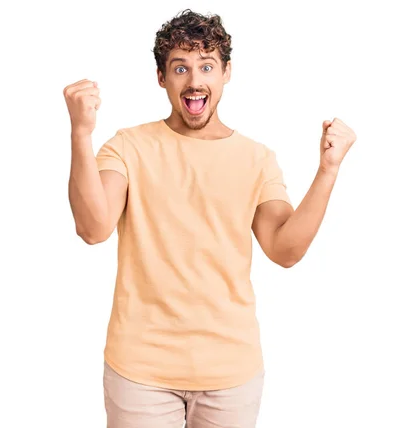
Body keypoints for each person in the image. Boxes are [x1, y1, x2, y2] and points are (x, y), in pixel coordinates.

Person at [64, 8, 356, 428]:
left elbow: (285, 250)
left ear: (226, 73)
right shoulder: (128, 147)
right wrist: (80, 133)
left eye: (207, 66)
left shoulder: (256, 159)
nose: (195, 80)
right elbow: (93, 228)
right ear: (162, 78)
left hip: (230, 374)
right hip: (140, 371)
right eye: (180, 67)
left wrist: (328, 171)